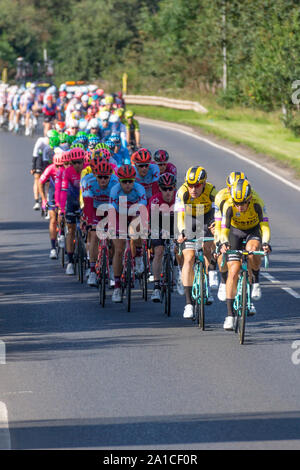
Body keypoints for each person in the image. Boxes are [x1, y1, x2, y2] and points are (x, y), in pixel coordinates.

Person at [219, 178, 271, 330]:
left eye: (242, 203)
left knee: (253, 250)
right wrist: (223, 242)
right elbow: (224, 230)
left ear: (249, 200)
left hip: (252, 231)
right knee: (233, 271)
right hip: (235, 232)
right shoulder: (229, 205)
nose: (239, 207)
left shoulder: (257, 203)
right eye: (237, 203)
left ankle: (255, 280)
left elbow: (265, 227)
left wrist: (266, 243)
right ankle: (229, 315)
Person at [175, 166, 217, 319]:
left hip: (206, 217)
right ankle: (188, 304)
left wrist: (216, 226)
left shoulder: (212, 191)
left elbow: (218, 213)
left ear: (204, 184)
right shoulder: (183, 192)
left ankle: (210, 274)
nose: (193, 189)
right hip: (187, 219)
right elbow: (179, 216)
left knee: (208, 246)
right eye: (190, 185)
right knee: (189, 257)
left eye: (197, 185)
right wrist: (181, 232)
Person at [109, 164, 147, 302]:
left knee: (136, 229)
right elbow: (112, 209)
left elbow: (142, 208)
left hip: (134, 213)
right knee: (119, 250)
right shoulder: (115, 190)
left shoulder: (139, 188)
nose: (127, 184)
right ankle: (117, 287)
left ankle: (137, 257)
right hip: (118, 215)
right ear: (119, 181)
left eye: (130, 181)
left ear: (134, 180)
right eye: (124, 181)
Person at [81, 157, 118, 286]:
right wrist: (89, 222)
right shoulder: (88, 181)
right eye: (100, 177)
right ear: (95, 175)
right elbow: (88, 205)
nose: (103, 180)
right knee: (94, 235)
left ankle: (113, 269)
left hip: (110, 209)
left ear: (110, 176)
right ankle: (92, 271)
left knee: (114, 239)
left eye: (106, 177)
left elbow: (117, 206)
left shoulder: (115, 183)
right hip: (95, 209)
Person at [148, 173, 177, 302]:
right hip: (158, 224)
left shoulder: (179, 198)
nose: (168, 192)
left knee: (178, 248)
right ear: (160, 189)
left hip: (175, 223)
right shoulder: (155, 200)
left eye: (170, 188)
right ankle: (156, 287)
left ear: (174, 188)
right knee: (159, 251)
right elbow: (152, 223)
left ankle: (178, 275)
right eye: (164, 189)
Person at [60, 147, 85, 275]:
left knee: (89, 229)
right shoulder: (67, 172)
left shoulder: (88, 169)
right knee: (71, 230)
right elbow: (63, 192)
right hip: (71, 201)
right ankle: (70, 262)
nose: (77, 165)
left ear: (83, 161)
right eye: (74, 162)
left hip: (84, 201)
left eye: (79, 162)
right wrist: (62, 208)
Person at [39, 154, 64, 259]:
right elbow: (40, 182)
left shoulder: (66, 170)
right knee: (53, 219)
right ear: (54, 164)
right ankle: (53, 248)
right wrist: (44, 200)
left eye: (61, 165)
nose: (59, 168)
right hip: (53, 195)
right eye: (57, 165)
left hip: (63, 194)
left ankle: (63, 233)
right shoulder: (49, 169)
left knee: (62, 216)